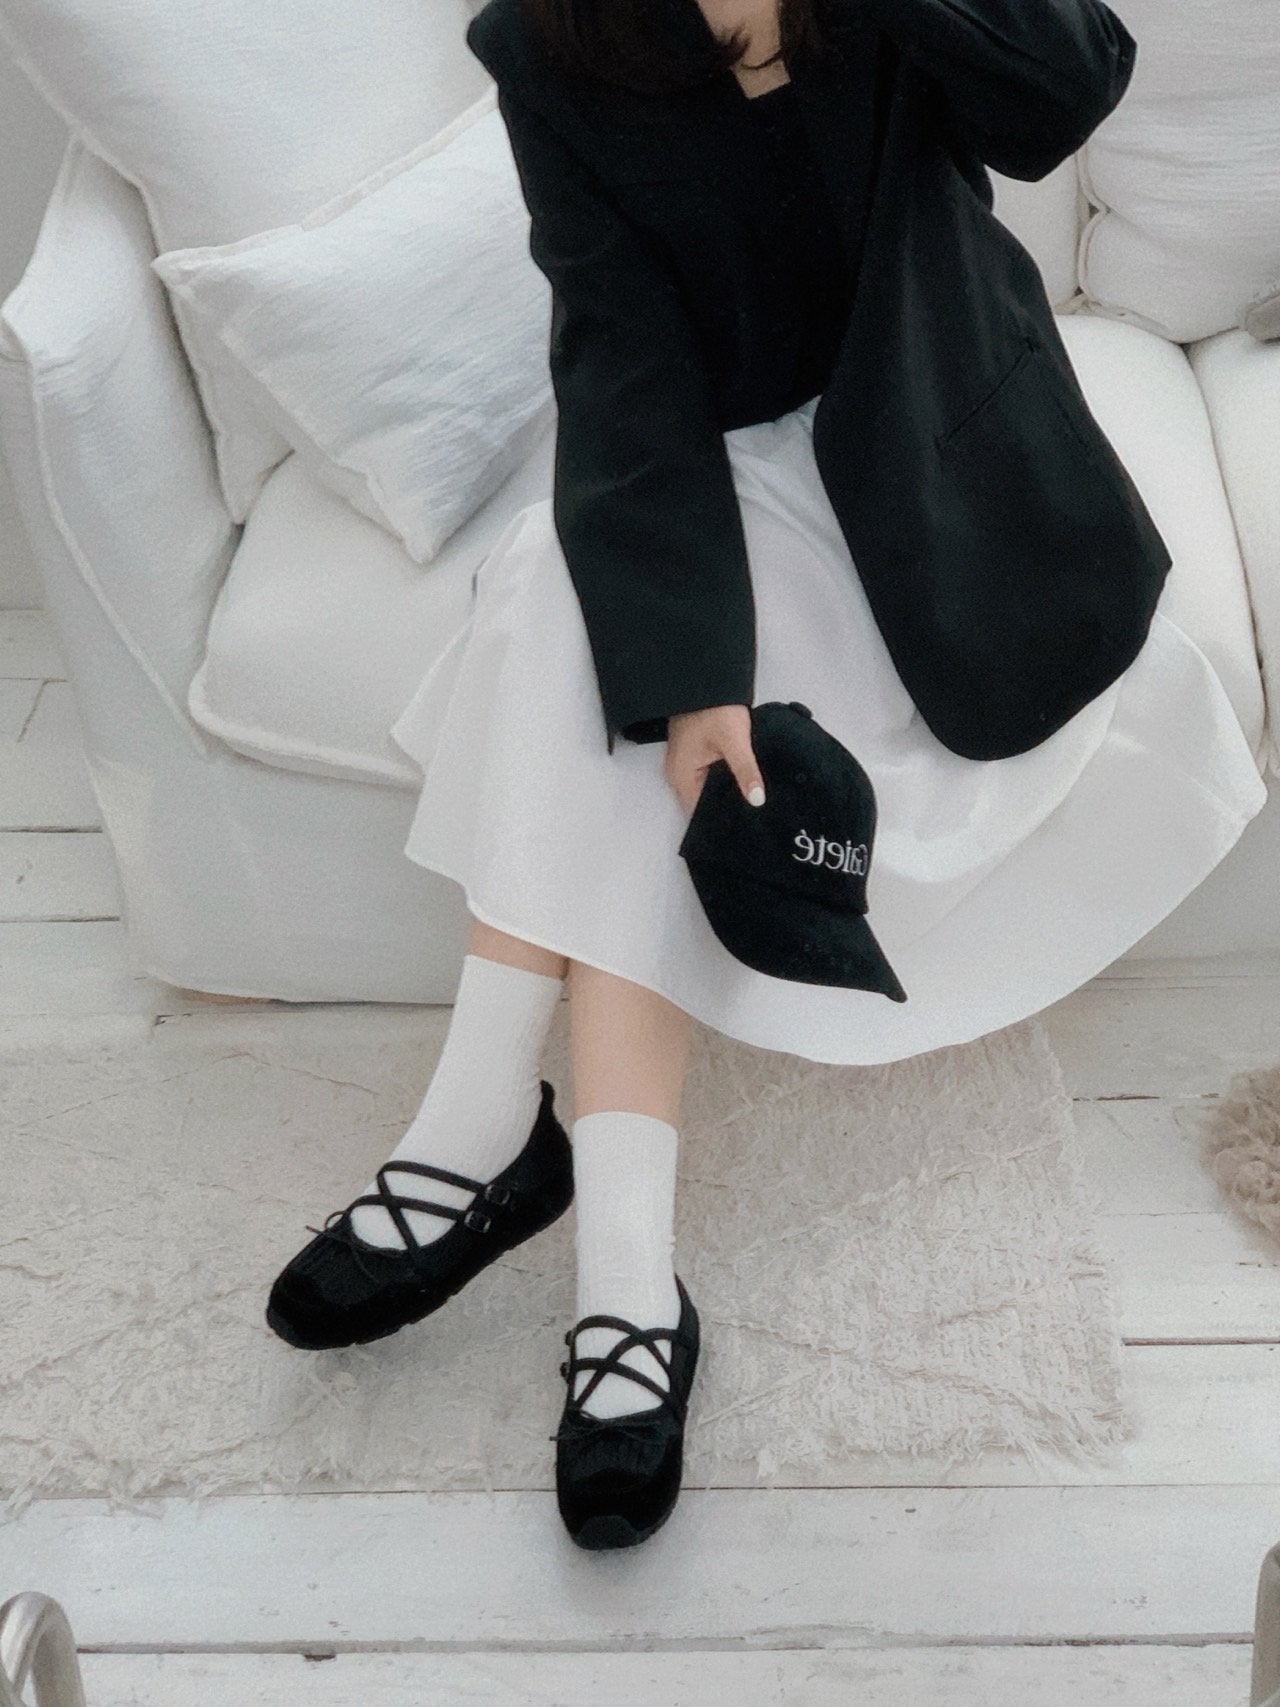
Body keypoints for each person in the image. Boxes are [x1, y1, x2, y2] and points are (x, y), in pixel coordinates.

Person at [264, 0, 1266, 1551]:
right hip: (719, 461)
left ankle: (489, 1142)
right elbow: (621, 351)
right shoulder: (547, 43)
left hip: (937, 452)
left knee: (571, 643)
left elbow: (1065, 92)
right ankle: (620, 1283)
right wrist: (695, 676)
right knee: (583, 631)